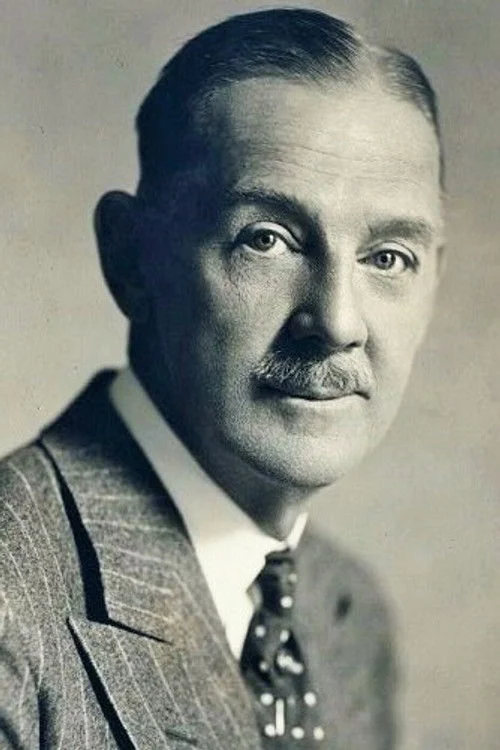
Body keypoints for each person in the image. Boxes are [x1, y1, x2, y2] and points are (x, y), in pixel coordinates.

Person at [0, 7, 445, 749]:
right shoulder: (12, 608)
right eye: (267, 239)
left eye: (388, 257)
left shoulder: (347, 614)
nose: (338, 322)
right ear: (132, 260)